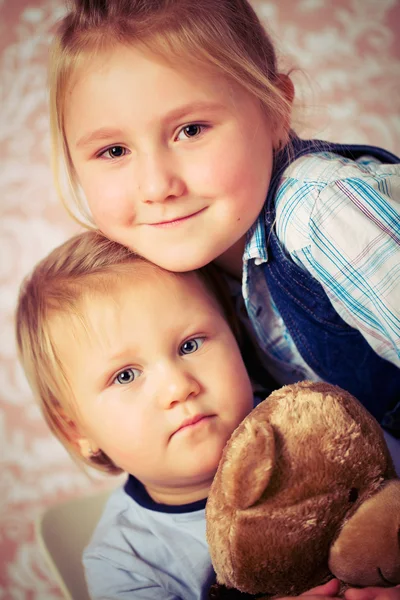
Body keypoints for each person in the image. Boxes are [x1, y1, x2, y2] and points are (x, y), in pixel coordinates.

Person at [49, 0, 400, 438]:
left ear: (274, 111)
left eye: (191, 130)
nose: (158, 187)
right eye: (114, 152)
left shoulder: (318, 209)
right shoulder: (174, 262)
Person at [17, 230, 346, 600]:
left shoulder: (311, 427)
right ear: (75, 428)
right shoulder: (126, 564)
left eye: (190, 345)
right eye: (125, 375)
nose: (178, 387)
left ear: (234, 335)